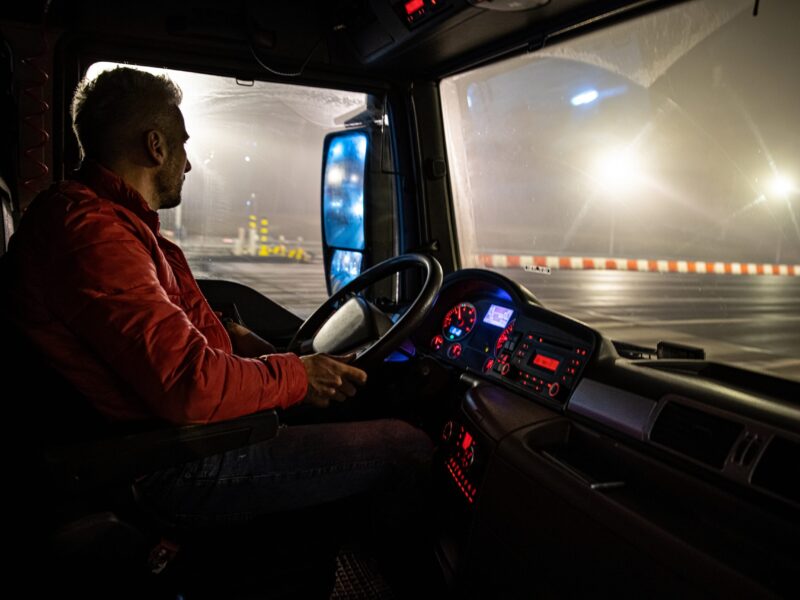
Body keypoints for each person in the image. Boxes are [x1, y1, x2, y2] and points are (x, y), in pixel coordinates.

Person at [1, 67, 433, 563]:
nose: (187, 164)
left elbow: (156, 326)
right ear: (155, 147)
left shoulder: (101, 219)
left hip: (175, 438)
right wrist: (295, 375)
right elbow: (190, 386)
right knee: (407, 446)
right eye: (182, 145)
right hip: (171, 463)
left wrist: (235, 337)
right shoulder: (95, 235)